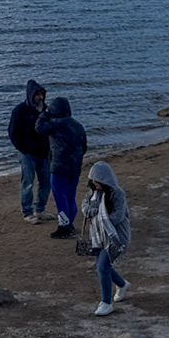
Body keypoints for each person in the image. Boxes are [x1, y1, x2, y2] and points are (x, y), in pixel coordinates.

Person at [83, 160, 132, 316]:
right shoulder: (93, 192)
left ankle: (106, 302)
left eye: (97, 180)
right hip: (98, 235)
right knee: (101, 265)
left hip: (116, 236)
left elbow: (116, 218)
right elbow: (85, 206)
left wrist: (96, 216)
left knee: (102, 266)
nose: (94, 183)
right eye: (92, 180)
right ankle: (122, 284)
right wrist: (95, 213)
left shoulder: (118, 194)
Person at [35, 94, 87, 240]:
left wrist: (44, 114)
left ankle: (64, 226)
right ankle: (69, 224)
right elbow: (84, 147)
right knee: (70, 195)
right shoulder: (78, 126)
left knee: (60, 196)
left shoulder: (55, 124)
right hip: (75, 167)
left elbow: (38, 128)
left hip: (59, 166)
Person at [7, 80, 51, 223]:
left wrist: (51, 149)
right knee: (27, 183)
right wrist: (23, 148)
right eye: (37, 94)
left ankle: (40, 209)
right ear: (30, 95)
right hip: (27, 154)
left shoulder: (46, 110)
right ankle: (27, 212)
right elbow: (13, 133)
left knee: (45, 183)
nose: (40, 97)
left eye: (41, 94)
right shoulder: (19, 111)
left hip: (44, 152)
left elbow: (52, 129)